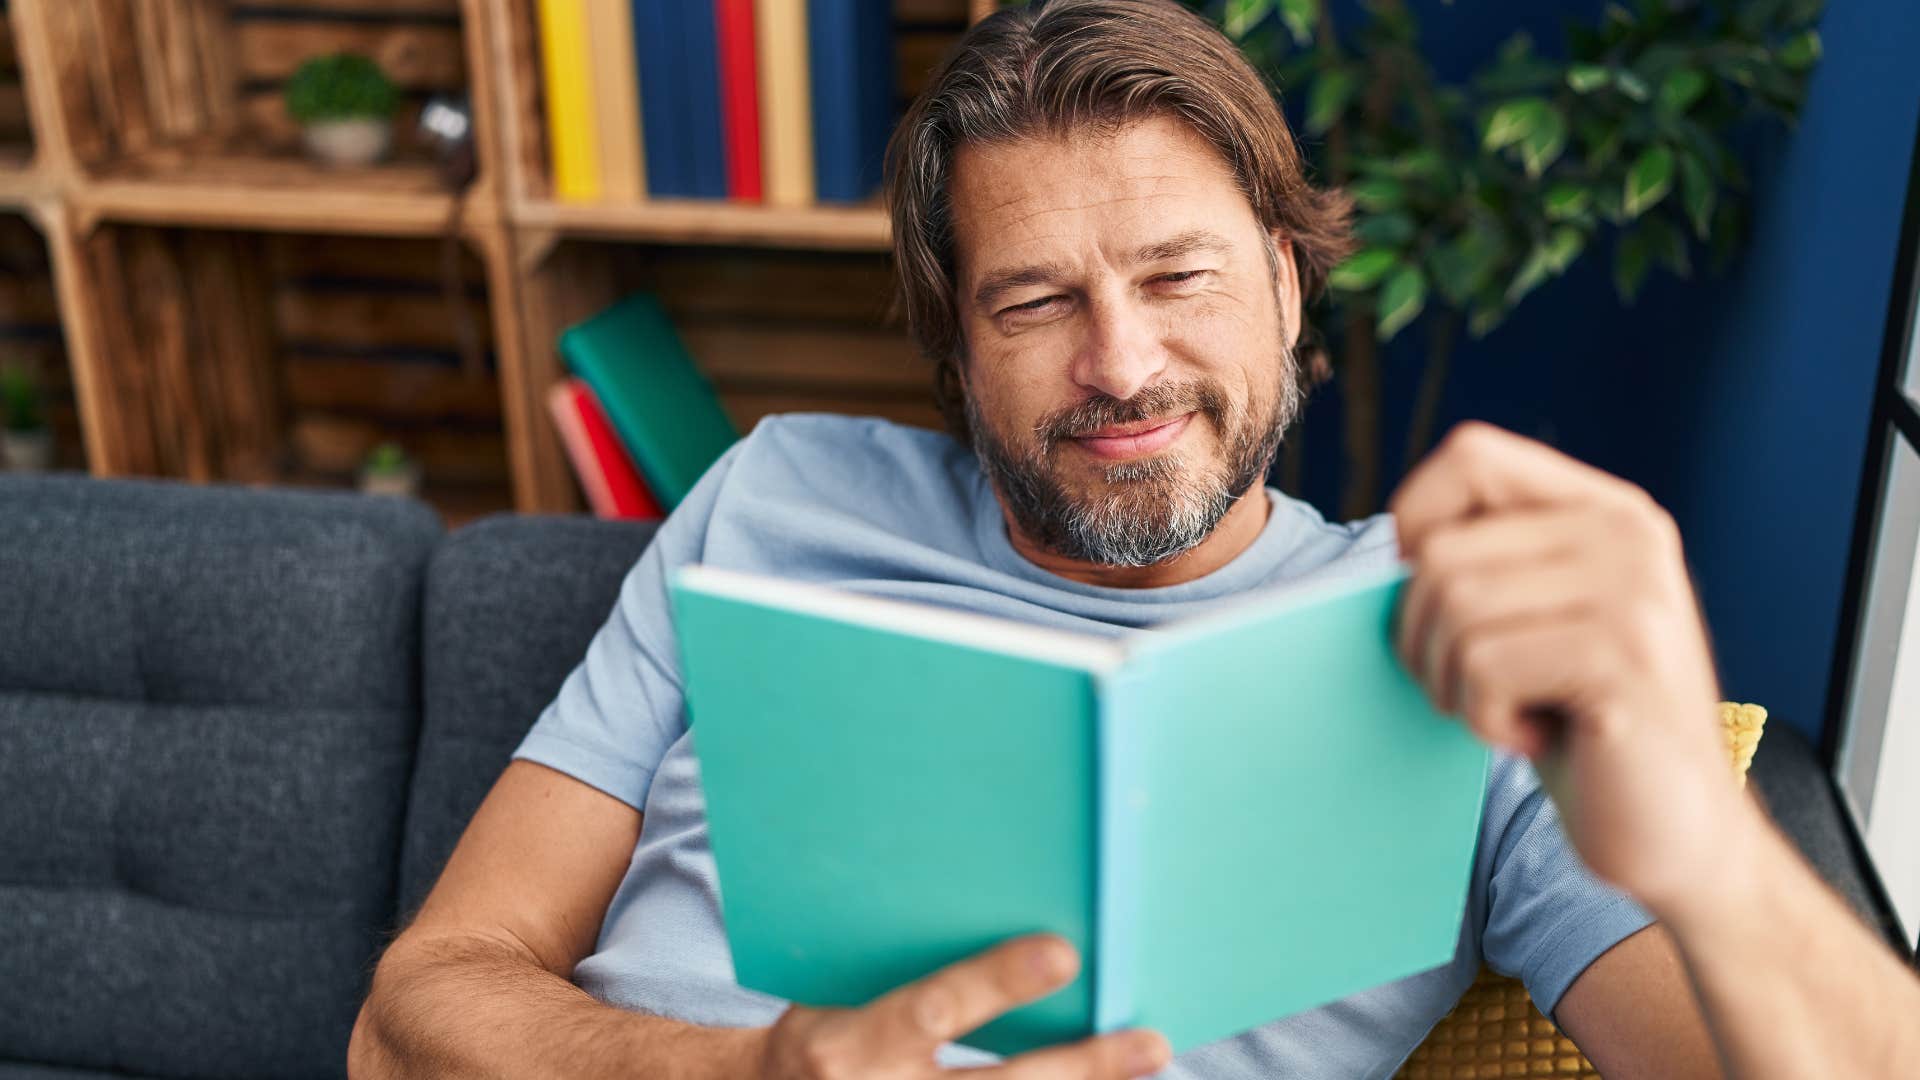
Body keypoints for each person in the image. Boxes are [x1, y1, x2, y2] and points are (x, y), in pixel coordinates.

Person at [349, 2, 1919, 1076]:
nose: (1119, 365)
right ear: (954, 349)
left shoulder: (1445, 645)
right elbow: (414, 1008)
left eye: (1180, 279)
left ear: (1289, 289)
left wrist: (1708, 857)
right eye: (1034, 301)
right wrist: (751, 1068)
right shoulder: (770, 500)